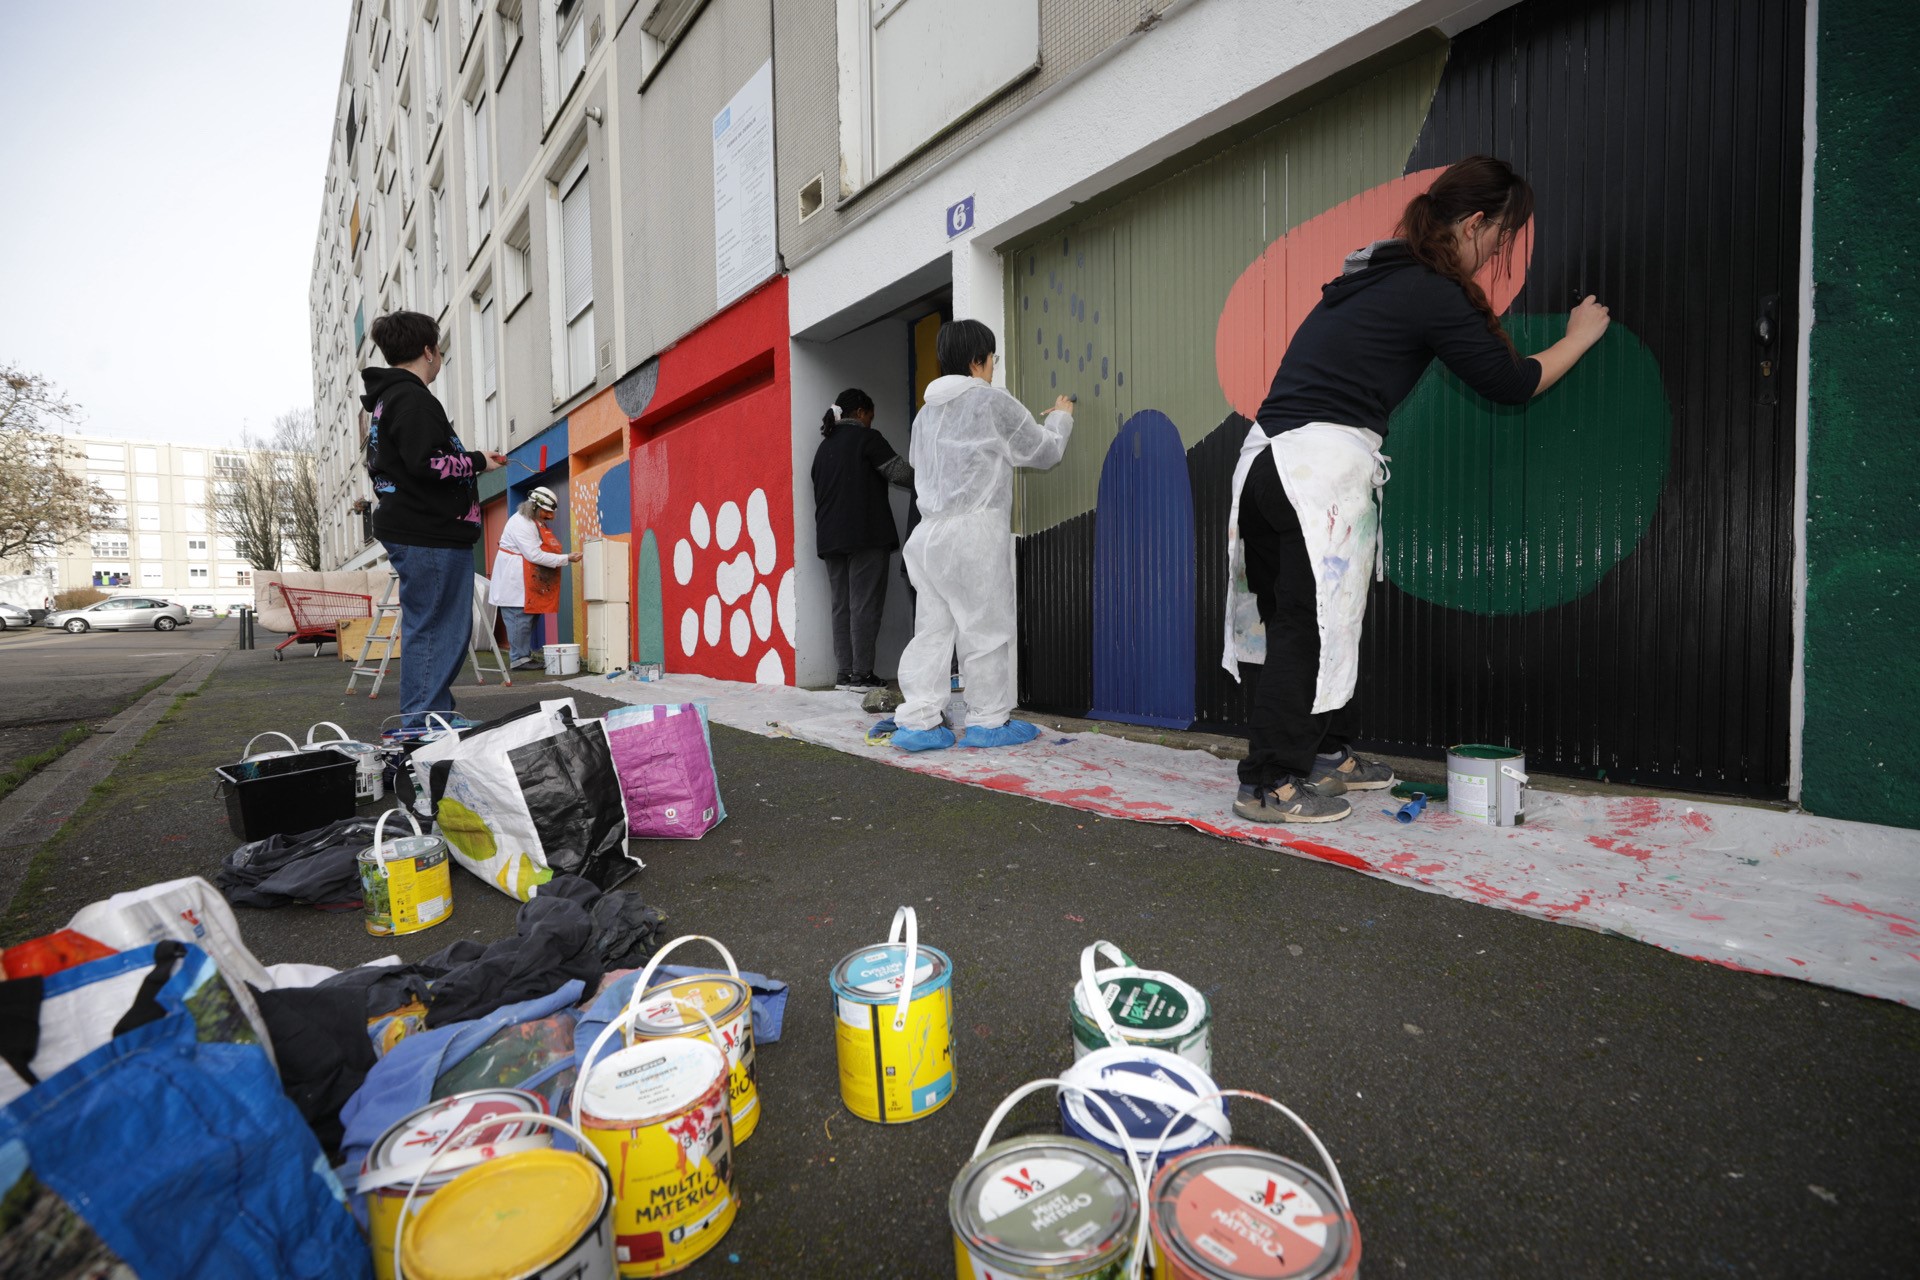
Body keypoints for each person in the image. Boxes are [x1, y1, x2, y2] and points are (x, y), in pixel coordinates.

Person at [1223, 155, 1611, 823]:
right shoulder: (1432, 288)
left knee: (1322, 620)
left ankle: (1328, 753)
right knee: (1309, 629)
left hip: (1265, 464)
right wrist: (1578, 338)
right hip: (1314, 472)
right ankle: (1269, 783)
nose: (1496, 253)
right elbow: (1511, 384)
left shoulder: (1376, 277)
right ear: (1476, 222)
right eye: (1500, 237)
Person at [891, 319, 1074, 751]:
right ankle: (989, 721)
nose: (993, 367)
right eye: (992, 358)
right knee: (985, 628)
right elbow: (1042, 452)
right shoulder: (991, 402)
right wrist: (1062, 420)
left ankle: (919, 722)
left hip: (928, 536)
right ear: (977, 360)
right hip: (974, 535)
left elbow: (922, 467)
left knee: (932, 631)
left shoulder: (925, 414)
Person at [361, 310, 508, 732]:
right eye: (439, 348)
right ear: (428, 350)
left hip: (422, 531)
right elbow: (427, 464)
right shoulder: (412, 399)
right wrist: (478, 460)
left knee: (436, 629)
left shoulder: (392, 398)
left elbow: (413, 463)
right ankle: (423, 726)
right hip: (431, 534)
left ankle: (431, 718)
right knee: (438, 631)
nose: (440, 356)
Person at [811, 388, 912, 691]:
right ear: (861, 412)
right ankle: (862, 674)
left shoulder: (823, 449)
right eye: (870, 415)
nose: (871, 421)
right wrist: (934, 480)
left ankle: (845, 673)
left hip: (830, 538)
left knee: (842, 605)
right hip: (865, 534)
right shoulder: (868, 439)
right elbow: (901, 475)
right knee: (864, 604)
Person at [488, 486, 580, 670]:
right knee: (519, 621)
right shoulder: (521, 524)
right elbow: (534, 555)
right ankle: (518, 659)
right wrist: (566, 558)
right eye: (547, 512)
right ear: (535, 507)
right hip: (515, 582)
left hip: (527, 581)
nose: (550, 517)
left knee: (528, 620)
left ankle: (524, 656)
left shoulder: (532, 522)